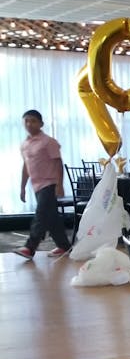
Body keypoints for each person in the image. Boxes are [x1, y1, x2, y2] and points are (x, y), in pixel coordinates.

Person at [15, 109, 71, 260]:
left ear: (41, 124)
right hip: (37, 186)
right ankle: (64, 246)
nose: (29, 124)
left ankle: (29, 247)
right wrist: (22, 188)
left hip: (50, 184)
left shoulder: (48, 142)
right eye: (26, 121)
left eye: (33, 120)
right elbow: (26, 167)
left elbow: (58, 163)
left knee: (40, 215)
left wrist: (60, 184)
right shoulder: (25, 144)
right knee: (51, 218)